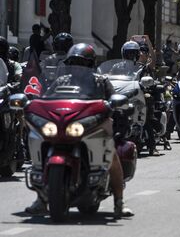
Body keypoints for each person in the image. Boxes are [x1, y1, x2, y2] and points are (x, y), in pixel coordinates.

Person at [25, 43, 133, 218]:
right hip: (65, 123)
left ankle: (119, 202)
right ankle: (41, 199)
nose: (76, 67)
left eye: (81, 63)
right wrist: (35, 104)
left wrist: (116, 105)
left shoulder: (101, 81)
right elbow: (46, 98)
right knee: (42, 140)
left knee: (111, 153)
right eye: (73, 62)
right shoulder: (61, 81)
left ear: (90, 65)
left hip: (93, 124)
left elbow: (113, 102)